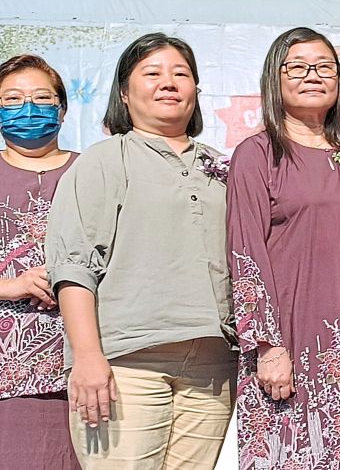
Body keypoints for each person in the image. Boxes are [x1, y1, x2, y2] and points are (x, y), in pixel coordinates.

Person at [47, 33, 236, 469]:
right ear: (125, 94)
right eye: (152, 73)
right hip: (126, 363)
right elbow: (73, 267)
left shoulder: (224, 166)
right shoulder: (105, 159)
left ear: (197, 92)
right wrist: (89, 357)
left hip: (212, 365)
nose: (168, 83)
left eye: (181, 74)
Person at [228, 27, 340, 469]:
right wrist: (267, 345)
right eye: (297, 67)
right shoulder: (257, 154)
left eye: (324, 67)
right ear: (274, 78)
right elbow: (245, 254)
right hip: (291, 344)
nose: (313, 76)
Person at [0, 54, 81, 469]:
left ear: (62, 110)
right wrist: (8, 285)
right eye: (12, 99)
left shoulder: (91, 171)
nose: (27, 108)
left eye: (41, 98)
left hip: (88, 364)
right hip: (8, 369)